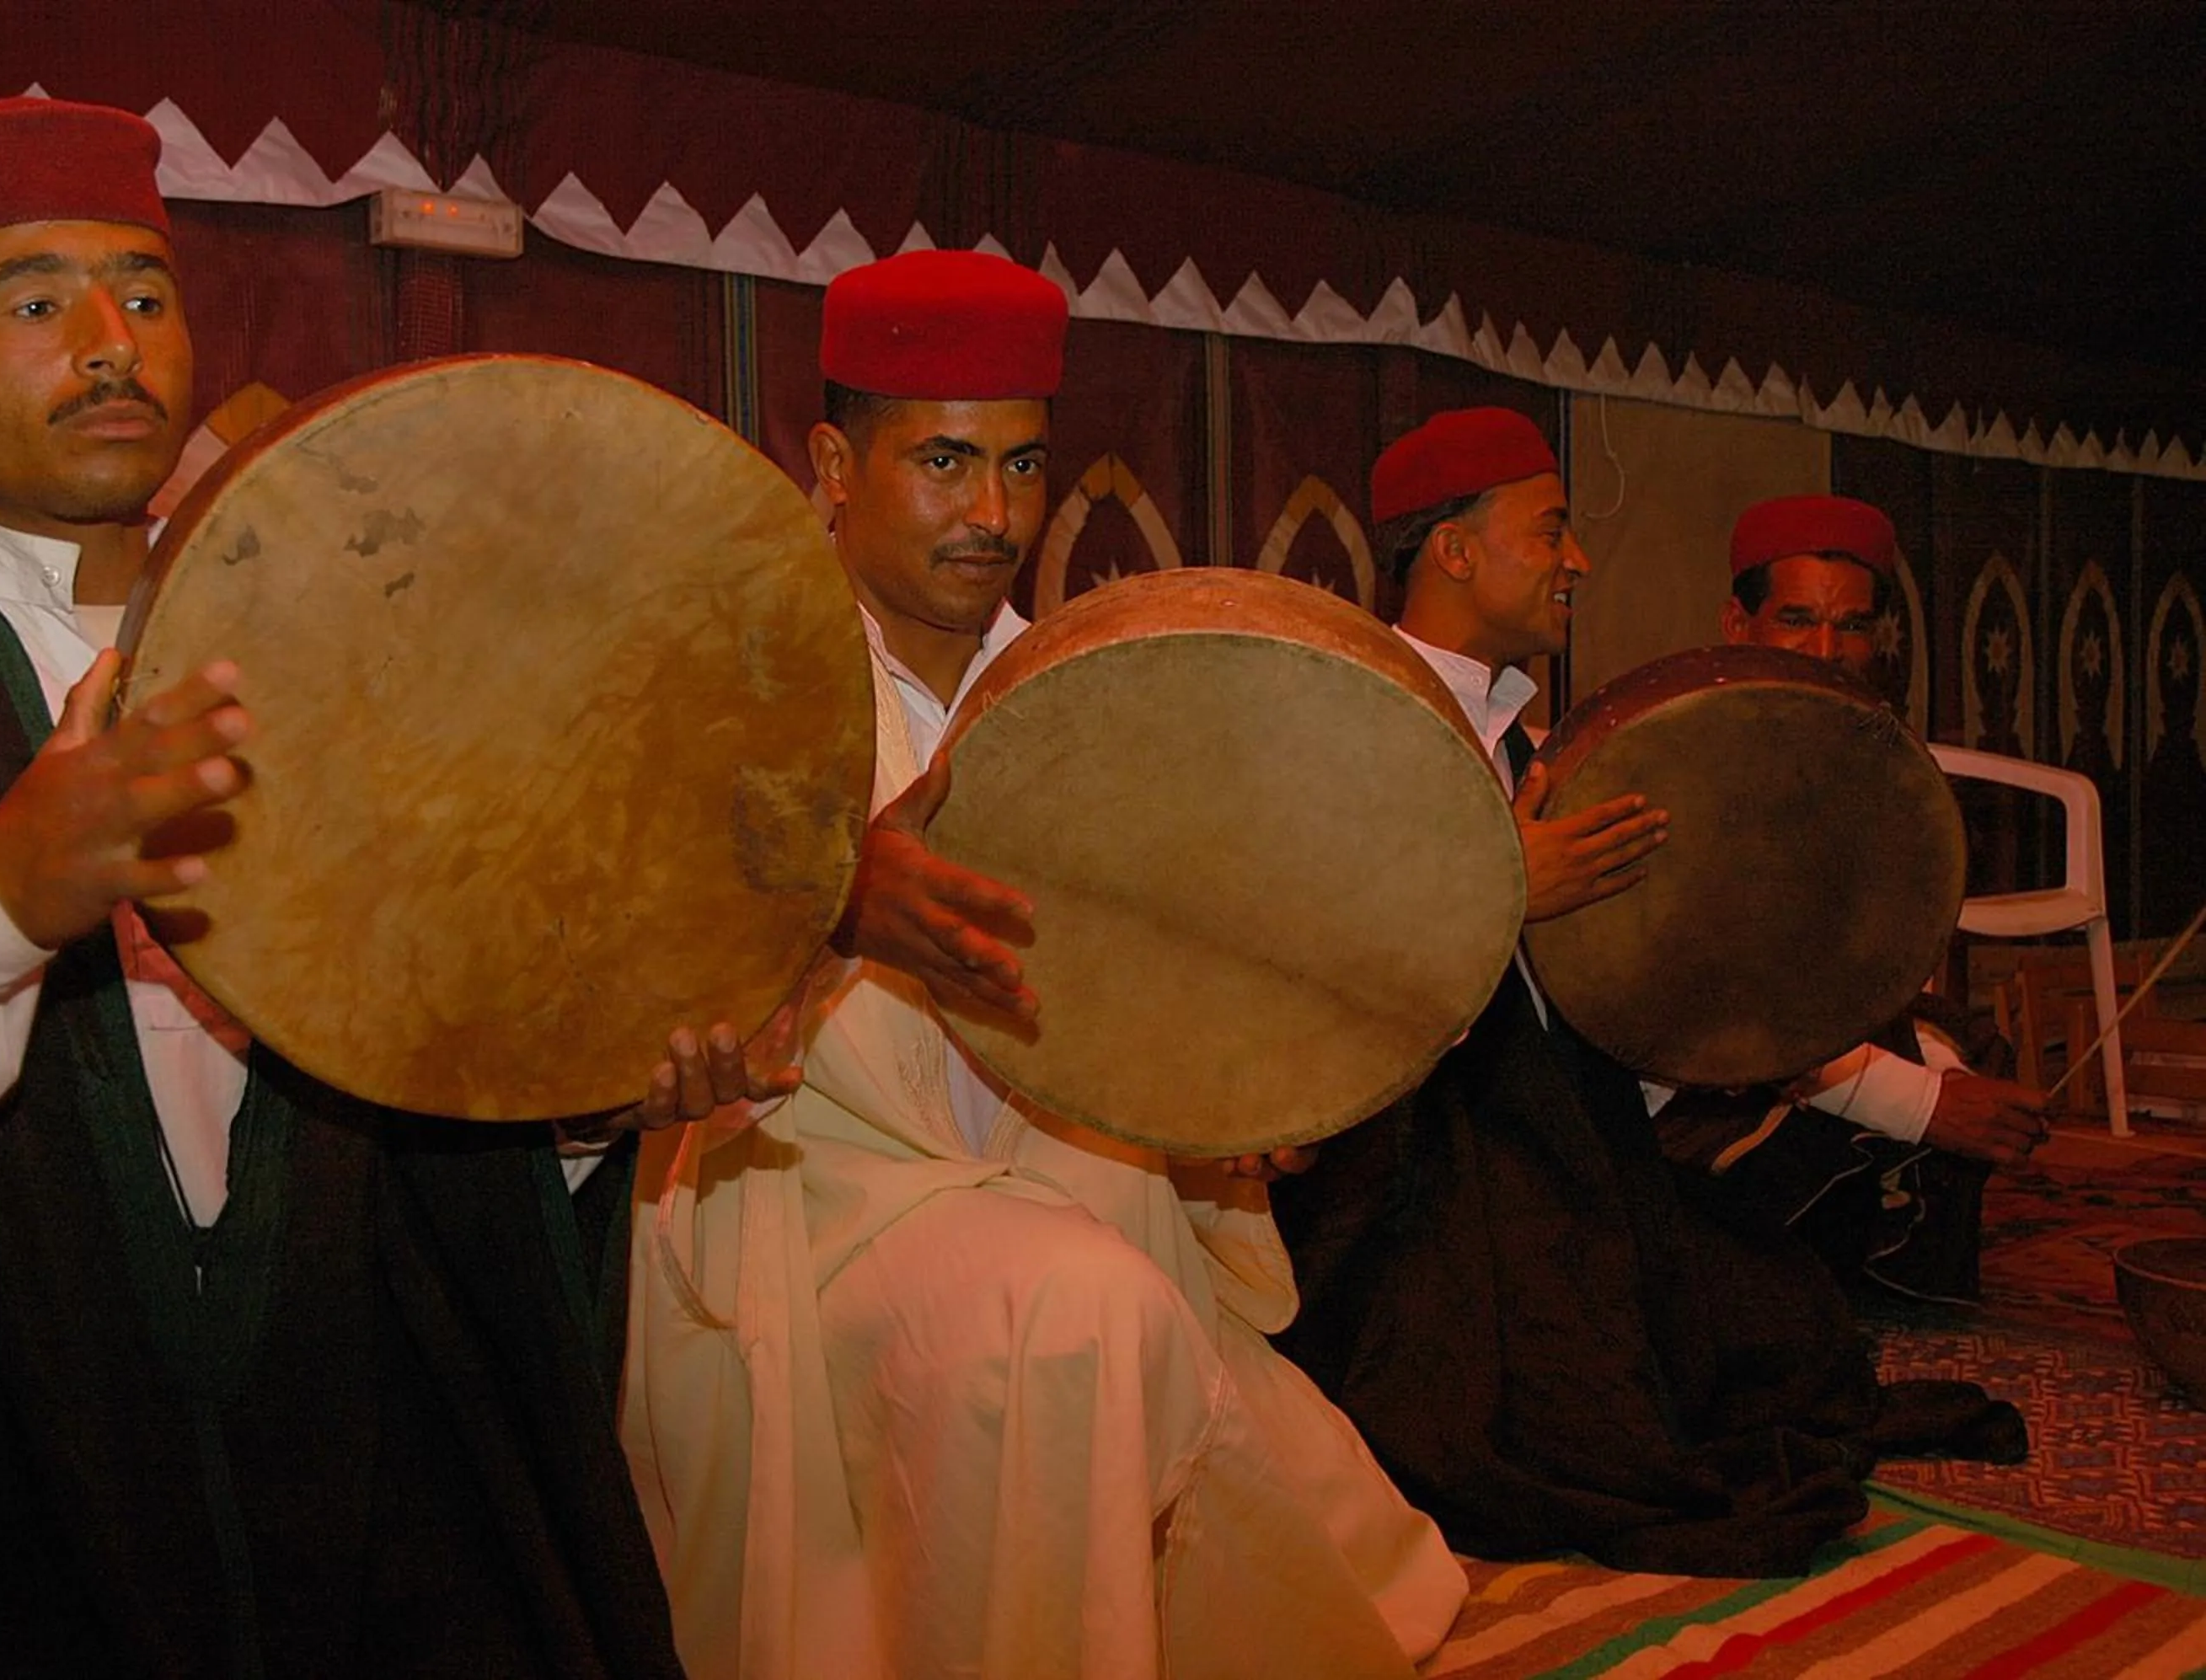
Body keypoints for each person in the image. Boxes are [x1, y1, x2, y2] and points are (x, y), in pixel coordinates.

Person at [0, 97, 783, 1676]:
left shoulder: (356, 661)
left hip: (359, 1492)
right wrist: (1, 890)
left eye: (143, 291)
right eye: (35, 299)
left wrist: (604, 1100)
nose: (110, 342)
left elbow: (447, 1072)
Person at [620, 249, 1465, 1680]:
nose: (995, 513)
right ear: (834, 459)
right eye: (945, 460)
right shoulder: (727, 678)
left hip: (1077, 1166)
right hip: (807, 1199)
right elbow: (630, 995)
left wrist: (1234, 1108)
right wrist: (828, 908)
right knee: (1073, 1316)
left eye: (1023, 463)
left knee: (1154, 1332)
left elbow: (1158, 979)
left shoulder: (1087, 683)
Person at [1271, 410, 2025, 1580]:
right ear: (1456, 550)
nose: (1577, 561)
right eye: (1552, 530)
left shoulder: (1520, 737)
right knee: (1563, 1427)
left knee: (1784, 1330)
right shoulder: (1354, 713)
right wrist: (1501, 893)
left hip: (1555, 1132)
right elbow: (1307, 967)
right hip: (1421, 1173)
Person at [1652, 494, 2049, 1300]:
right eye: (1797, 619)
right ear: (1739, 624)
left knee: (1973, 1056)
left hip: (1823, 1035)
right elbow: (1704, 1001)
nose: (1828, 650)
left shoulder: (1873, 758)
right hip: (1698, 1066)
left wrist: (1937, 1075)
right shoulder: (1679, 759)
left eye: (1854, 626)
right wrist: (1915, 1101)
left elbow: (1877, 964)